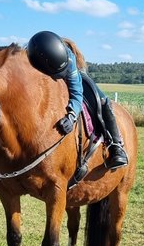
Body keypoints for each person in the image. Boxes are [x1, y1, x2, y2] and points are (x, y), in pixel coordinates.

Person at [25, 31, 128, 170]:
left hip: (72, 77)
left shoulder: (69, 59)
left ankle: (116, 146)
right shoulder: (29, 60)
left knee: (103, 101)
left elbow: (76, 91)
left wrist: (72, 115)